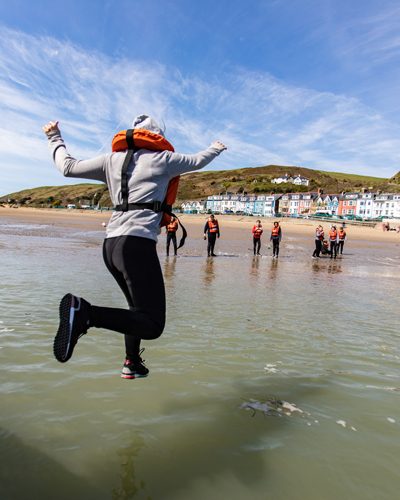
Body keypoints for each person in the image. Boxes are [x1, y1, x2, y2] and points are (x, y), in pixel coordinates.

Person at [43, 115, 226, 379]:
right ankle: (85, 313)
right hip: (136, 245)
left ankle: (132, 362)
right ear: (157, 136)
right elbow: (199, 160)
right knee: (152, 325)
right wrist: (217, 147)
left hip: (111, 246)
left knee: (137, 311)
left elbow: (67, 167)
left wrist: (54, 138)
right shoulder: (163, 160)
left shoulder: (110, 160)